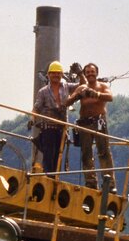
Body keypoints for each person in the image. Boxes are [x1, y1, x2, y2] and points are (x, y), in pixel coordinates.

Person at [68, 62, 115, 190]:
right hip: (85, 123)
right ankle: (90, 182)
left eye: (92, 72)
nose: (90, 74)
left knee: (104, 152)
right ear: (85, 74)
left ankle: (109, 183)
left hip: (99, 122)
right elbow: (67, 102)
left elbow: (110, 97)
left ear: (97, 73)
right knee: (86, 154)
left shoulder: (102, 86)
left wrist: (97, 94)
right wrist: (78, 96)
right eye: (87, 72)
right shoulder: (81, 88)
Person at [31, 61, 74, 177]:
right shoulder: (43, 91)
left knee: (58, 155)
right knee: (49, 154)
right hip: (48, 128)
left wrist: (81, 74)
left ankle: (54, 177)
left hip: (62, 128)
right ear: (48, 75)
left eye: (58, 73)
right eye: (53, 73)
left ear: (62, 75)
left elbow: (81, 86)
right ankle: (49, 176)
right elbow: (36, 108)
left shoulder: (66, 87)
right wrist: (32, 119)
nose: (56, 75)